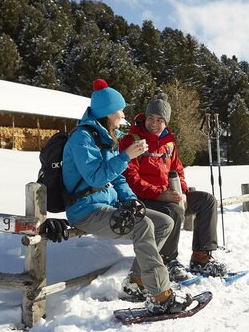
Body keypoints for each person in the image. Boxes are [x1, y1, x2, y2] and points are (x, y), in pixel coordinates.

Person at [62, 80, 191, 314]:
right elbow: (96, 178)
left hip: (108, 205)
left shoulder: (108, 136)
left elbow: (118, 178)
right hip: (87, 211)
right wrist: (126, 156)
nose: (123, 114)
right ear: (109, 112)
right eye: (120, 110)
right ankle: (160, 295)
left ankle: (137, 282)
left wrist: (132, 200)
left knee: (165, 222)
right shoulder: (83, 139)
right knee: (142, 226)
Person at [119, 93, 227, 283]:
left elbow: (177, 169)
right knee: (175, 210)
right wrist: (160, 194)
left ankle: (201, 257)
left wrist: (183, 192)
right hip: (142, 198)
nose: (154, 123)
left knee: (207, 201)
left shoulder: (168, 143)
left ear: (166, 122)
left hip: (167, 195)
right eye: (151, 118)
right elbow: (130, 178)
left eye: (160, 120)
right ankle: (168, 260)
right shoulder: (132, 140)